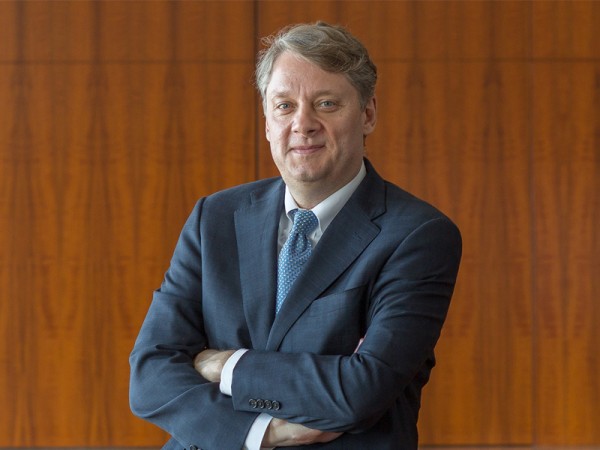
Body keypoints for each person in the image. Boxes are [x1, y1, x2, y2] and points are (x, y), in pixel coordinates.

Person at [129, 21, 462, 450]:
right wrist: (262, 433)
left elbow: (361, 390)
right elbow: (150, 373)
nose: (303, 124)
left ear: (367, 114)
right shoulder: (215, 217)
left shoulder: (418, 236)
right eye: (284, 106)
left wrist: (226, 365)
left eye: (326, 103)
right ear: (267, 121)